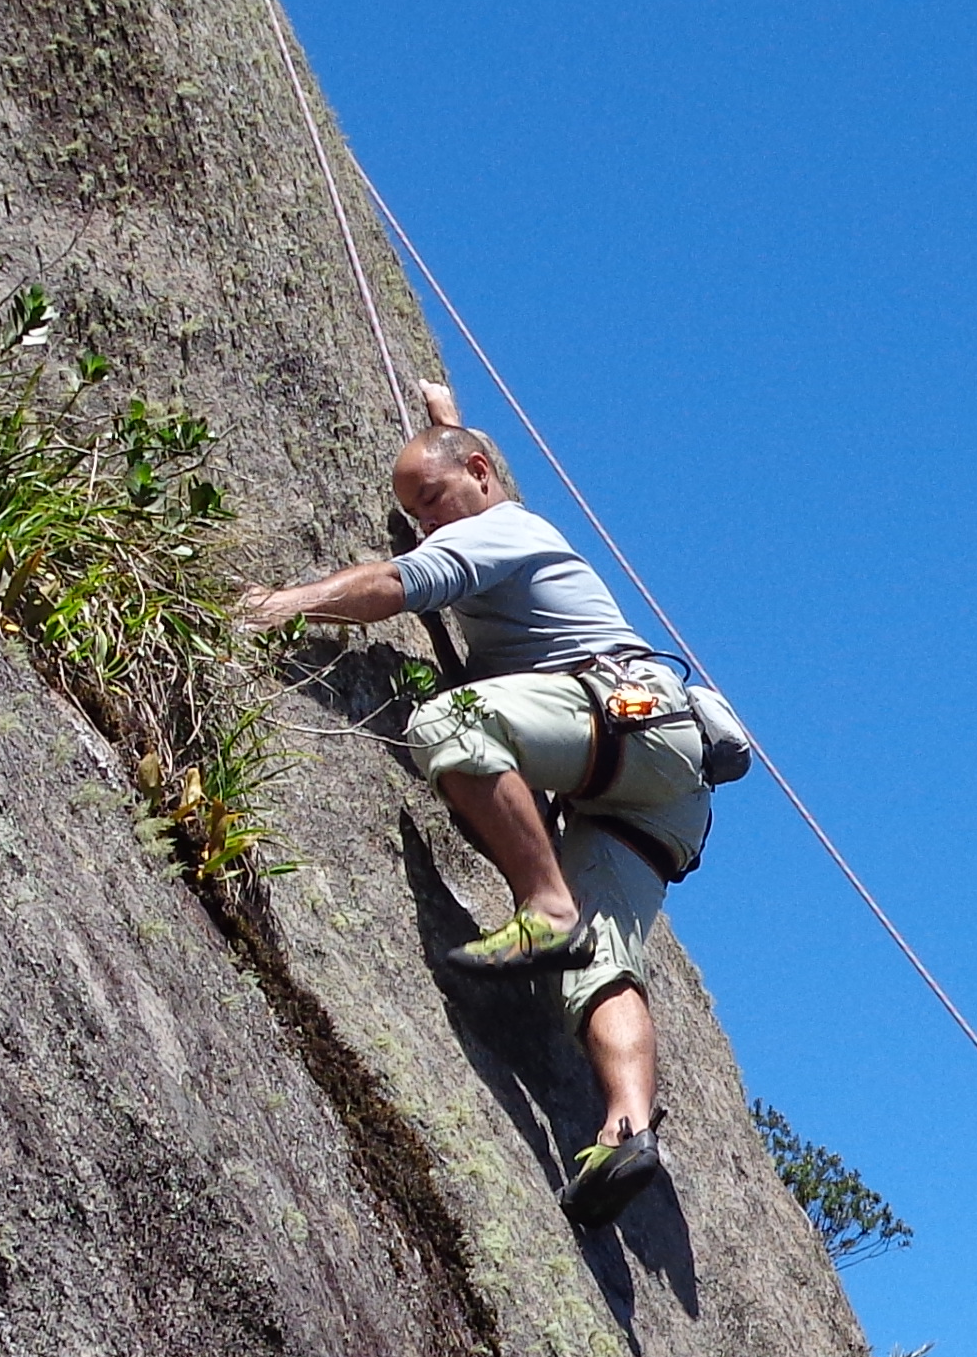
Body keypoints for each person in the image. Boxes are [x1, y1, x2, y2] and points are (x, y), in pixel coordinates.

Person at [238, 383, 715, 1231]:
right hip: (663, 786)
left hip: (622, 718)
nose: (426, 523)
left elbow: (398, 583)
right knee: (601, 967)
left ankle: (543, 902)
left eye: (430, 501)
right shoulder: (508, 520)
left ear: (482, 474)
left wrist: (289, 604)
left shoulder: (503, 529)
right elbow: (461, 472)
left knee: (452, 725)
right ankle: (628, 1129)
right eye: (413, 512)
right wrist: (439, 412)